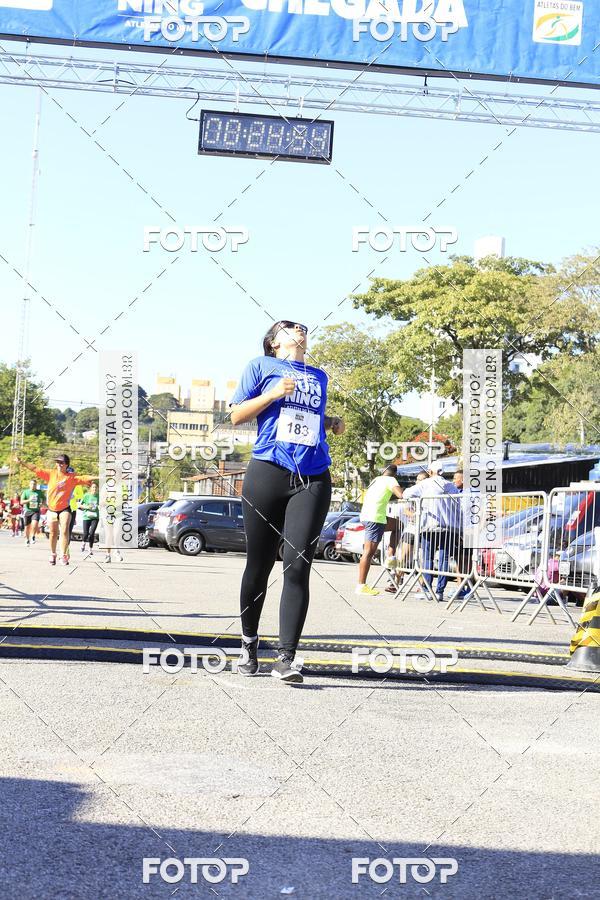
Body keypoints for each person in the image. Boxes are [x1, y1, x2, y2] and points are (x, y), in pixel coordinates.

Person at [230, 319, 345, 684]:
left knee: (297, 565)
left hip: (312, 476)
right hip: (268, 471)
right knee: (260, 564)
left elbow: (301, 418)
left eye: (302, 327)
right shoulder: (260, 366)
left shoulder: (319, 376)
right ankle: (249, 644)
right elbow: (236, 415)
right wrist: (272, 393)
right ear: (274, 343)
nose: (299, 330)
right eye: (289, 327)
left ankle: (287, 657)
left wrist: (329, 421)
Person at [15, 454, 95, 565]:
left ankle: (63, 555)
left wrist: (103, 476)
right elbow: (35, 469)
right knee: (53, 533)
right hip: (52, 509)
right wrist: (22, 462)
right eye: (57, 462)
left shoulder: (71, 477)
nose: (59, 464)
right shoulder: (50, 474)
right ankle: (53, 554)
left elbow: (85, 478)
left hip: (65, 508)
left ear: (67, 465)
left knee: (64, 530)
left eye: (61, 462)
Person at [404, 462, 461, 602]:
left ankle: (427, 590)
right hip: (448, 527)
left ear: (430, 471)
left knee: (428, 558)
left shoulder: (426, 484)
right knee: (444, 559)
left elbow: (406, 494)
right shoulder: (451, 486)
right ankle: (439, 591)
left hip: (429, 526)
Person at [355, 465, 404, 596]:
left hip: (369, 515)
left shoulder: (376, 479)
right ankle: (361, 585)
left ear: (383, 471)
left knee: (399, 525)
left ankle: (391, 557)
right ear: (395, 475)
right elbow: (401, 495)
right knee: (368, 552)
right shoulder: (391, 480)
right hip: (374, 518)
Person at [21, 478, 45, 545]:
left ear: (36, 485)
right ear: (29, 485)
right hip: (27, 511)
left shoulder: (39, 492)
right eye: (31, 484)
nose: (33, 485)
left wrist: (42, 503)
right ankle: (27, 539)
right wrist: (29, 500)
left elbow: (44, 498)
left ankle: (33, 537)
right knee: (27, 527)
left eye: (34, 484)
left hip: (36, 511)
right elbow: (21, 502)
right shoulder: (25, 492)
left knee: (34, 524)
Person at [80, 483, 99, 555]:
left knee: (92, 533)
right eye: (93, 487)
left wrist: (100, 506)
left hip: (95, 517)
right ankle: (83, 543)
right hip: (86, 517)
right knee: (86, 533)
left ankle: (90, 549)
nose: (94, 489)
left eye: (96, 487)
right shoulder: (86, 495)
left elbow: (102, 504)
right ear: (90, 488)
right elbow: (80, 505)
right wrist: (87, 507)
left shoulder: (99, 496)